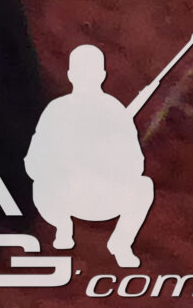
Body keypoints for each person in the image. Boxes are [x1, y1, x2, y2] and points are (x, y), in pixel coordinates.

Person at [27, 43, 159, 269]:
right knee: (41, 185)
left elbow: (135, 165)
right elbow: (34, 162)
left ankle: (120, 243)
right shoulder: (57, 110)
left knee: (144, 186)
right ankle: (62, 228)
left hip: (102, 196)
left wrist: (106, 160)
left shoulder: (114, 111)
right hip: (62, 197)